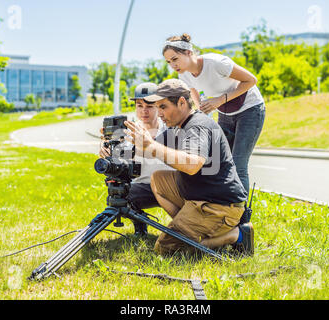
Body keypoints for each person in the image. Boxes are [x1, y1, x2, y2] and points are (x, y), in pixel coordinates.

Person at [124, 79, 254, 256]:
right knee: (159, 179)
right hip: (200, 196)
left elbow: (192, 164)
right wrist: (114, 148)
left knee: (167, 250)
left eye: (163, 107)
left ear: (182, 102)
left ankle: (236, 235)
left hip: (218, 207)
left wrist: (151, 146)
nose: (160, 113)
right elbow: (151, 151)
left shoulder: (197, 126)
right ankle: (187, 227)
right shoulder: (180, 125)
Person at [162, 34, 266, 223]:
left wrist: (219, 100)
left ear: (188, 52)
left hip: (250, 109)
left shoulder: (216, 63)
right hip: (225, 113)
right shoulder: (183, 74)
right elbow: (194, 93)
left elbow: (251, 80)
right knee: (219, 163)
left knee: (238, 163)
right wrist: (199, 115)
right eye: (169, 62)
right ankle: (220, 211)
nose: (173, 65)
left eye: (175, 59)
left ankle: (242, 221)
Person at [99, 82, 173, 236]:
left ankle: (185, 227)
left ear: (159, 106)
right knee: (119, 195)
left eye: (150, 106)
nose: (144, 111)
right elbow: (121, 170)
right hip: (141, 188)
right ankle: (140, 223)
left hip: (170, 187)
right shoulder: (125, 134)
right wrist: (109, 156)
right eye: (139, 106)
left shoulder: (171, 129)